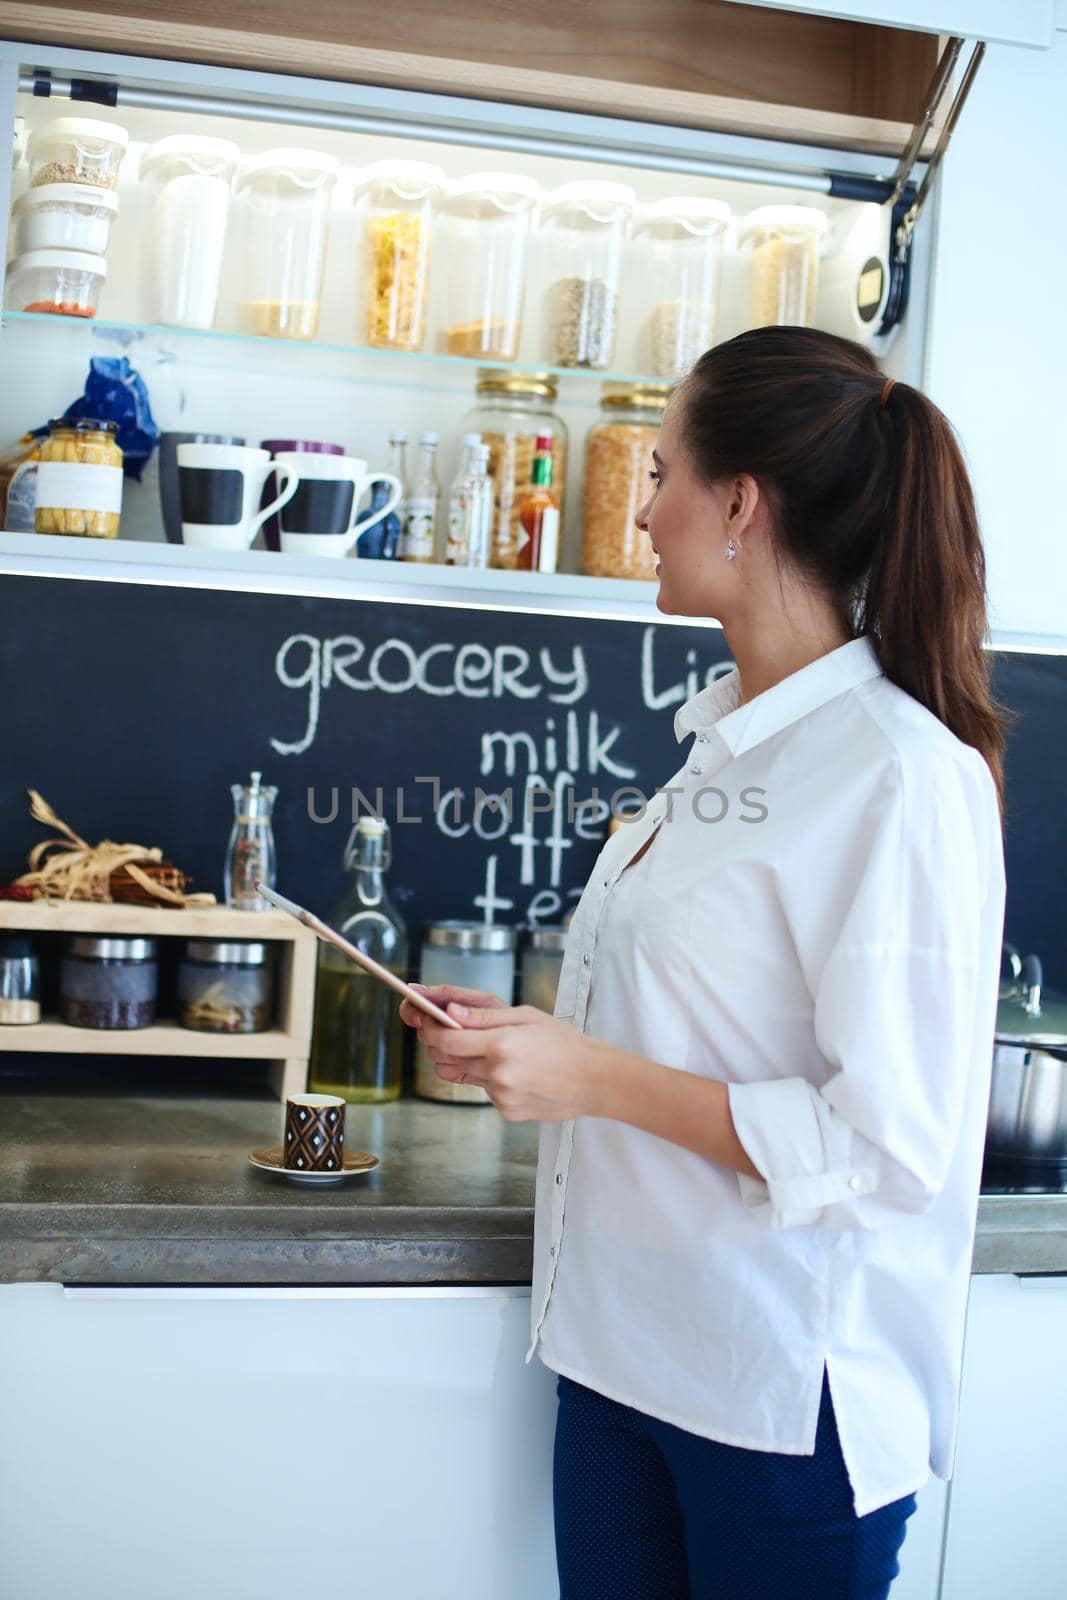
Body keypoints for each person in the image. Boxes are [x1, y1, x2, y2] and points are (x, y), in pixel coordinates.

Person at [400, 326, 1008, 1600]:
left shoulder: (900, 775)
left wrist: (588, 1079)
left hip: (780, 1401)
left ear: (738, 504)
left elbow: (885, 1144)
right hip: (622, 1360)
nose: (640, 512)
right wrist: (540, 1041)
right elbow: (700, 1027)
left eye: (663, 470)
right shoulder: (724, 747)